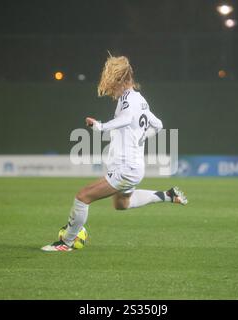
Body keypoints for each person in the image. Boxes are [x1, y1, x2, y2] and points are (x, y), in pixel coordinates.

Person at [42, 54, 187, 252]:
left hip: (126, 168)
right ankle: (168, 195)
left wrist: (101, 127)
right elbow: (158, 125)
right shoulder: (140, 99)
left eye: (113, 82)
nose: (110, 88)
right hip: (134, 167)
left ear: (121, 80)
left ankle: (66, 242)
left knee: (82, 197)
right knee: (121, 204)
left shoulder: (128, 99)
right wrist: (142, 137)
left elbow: (127, 118)